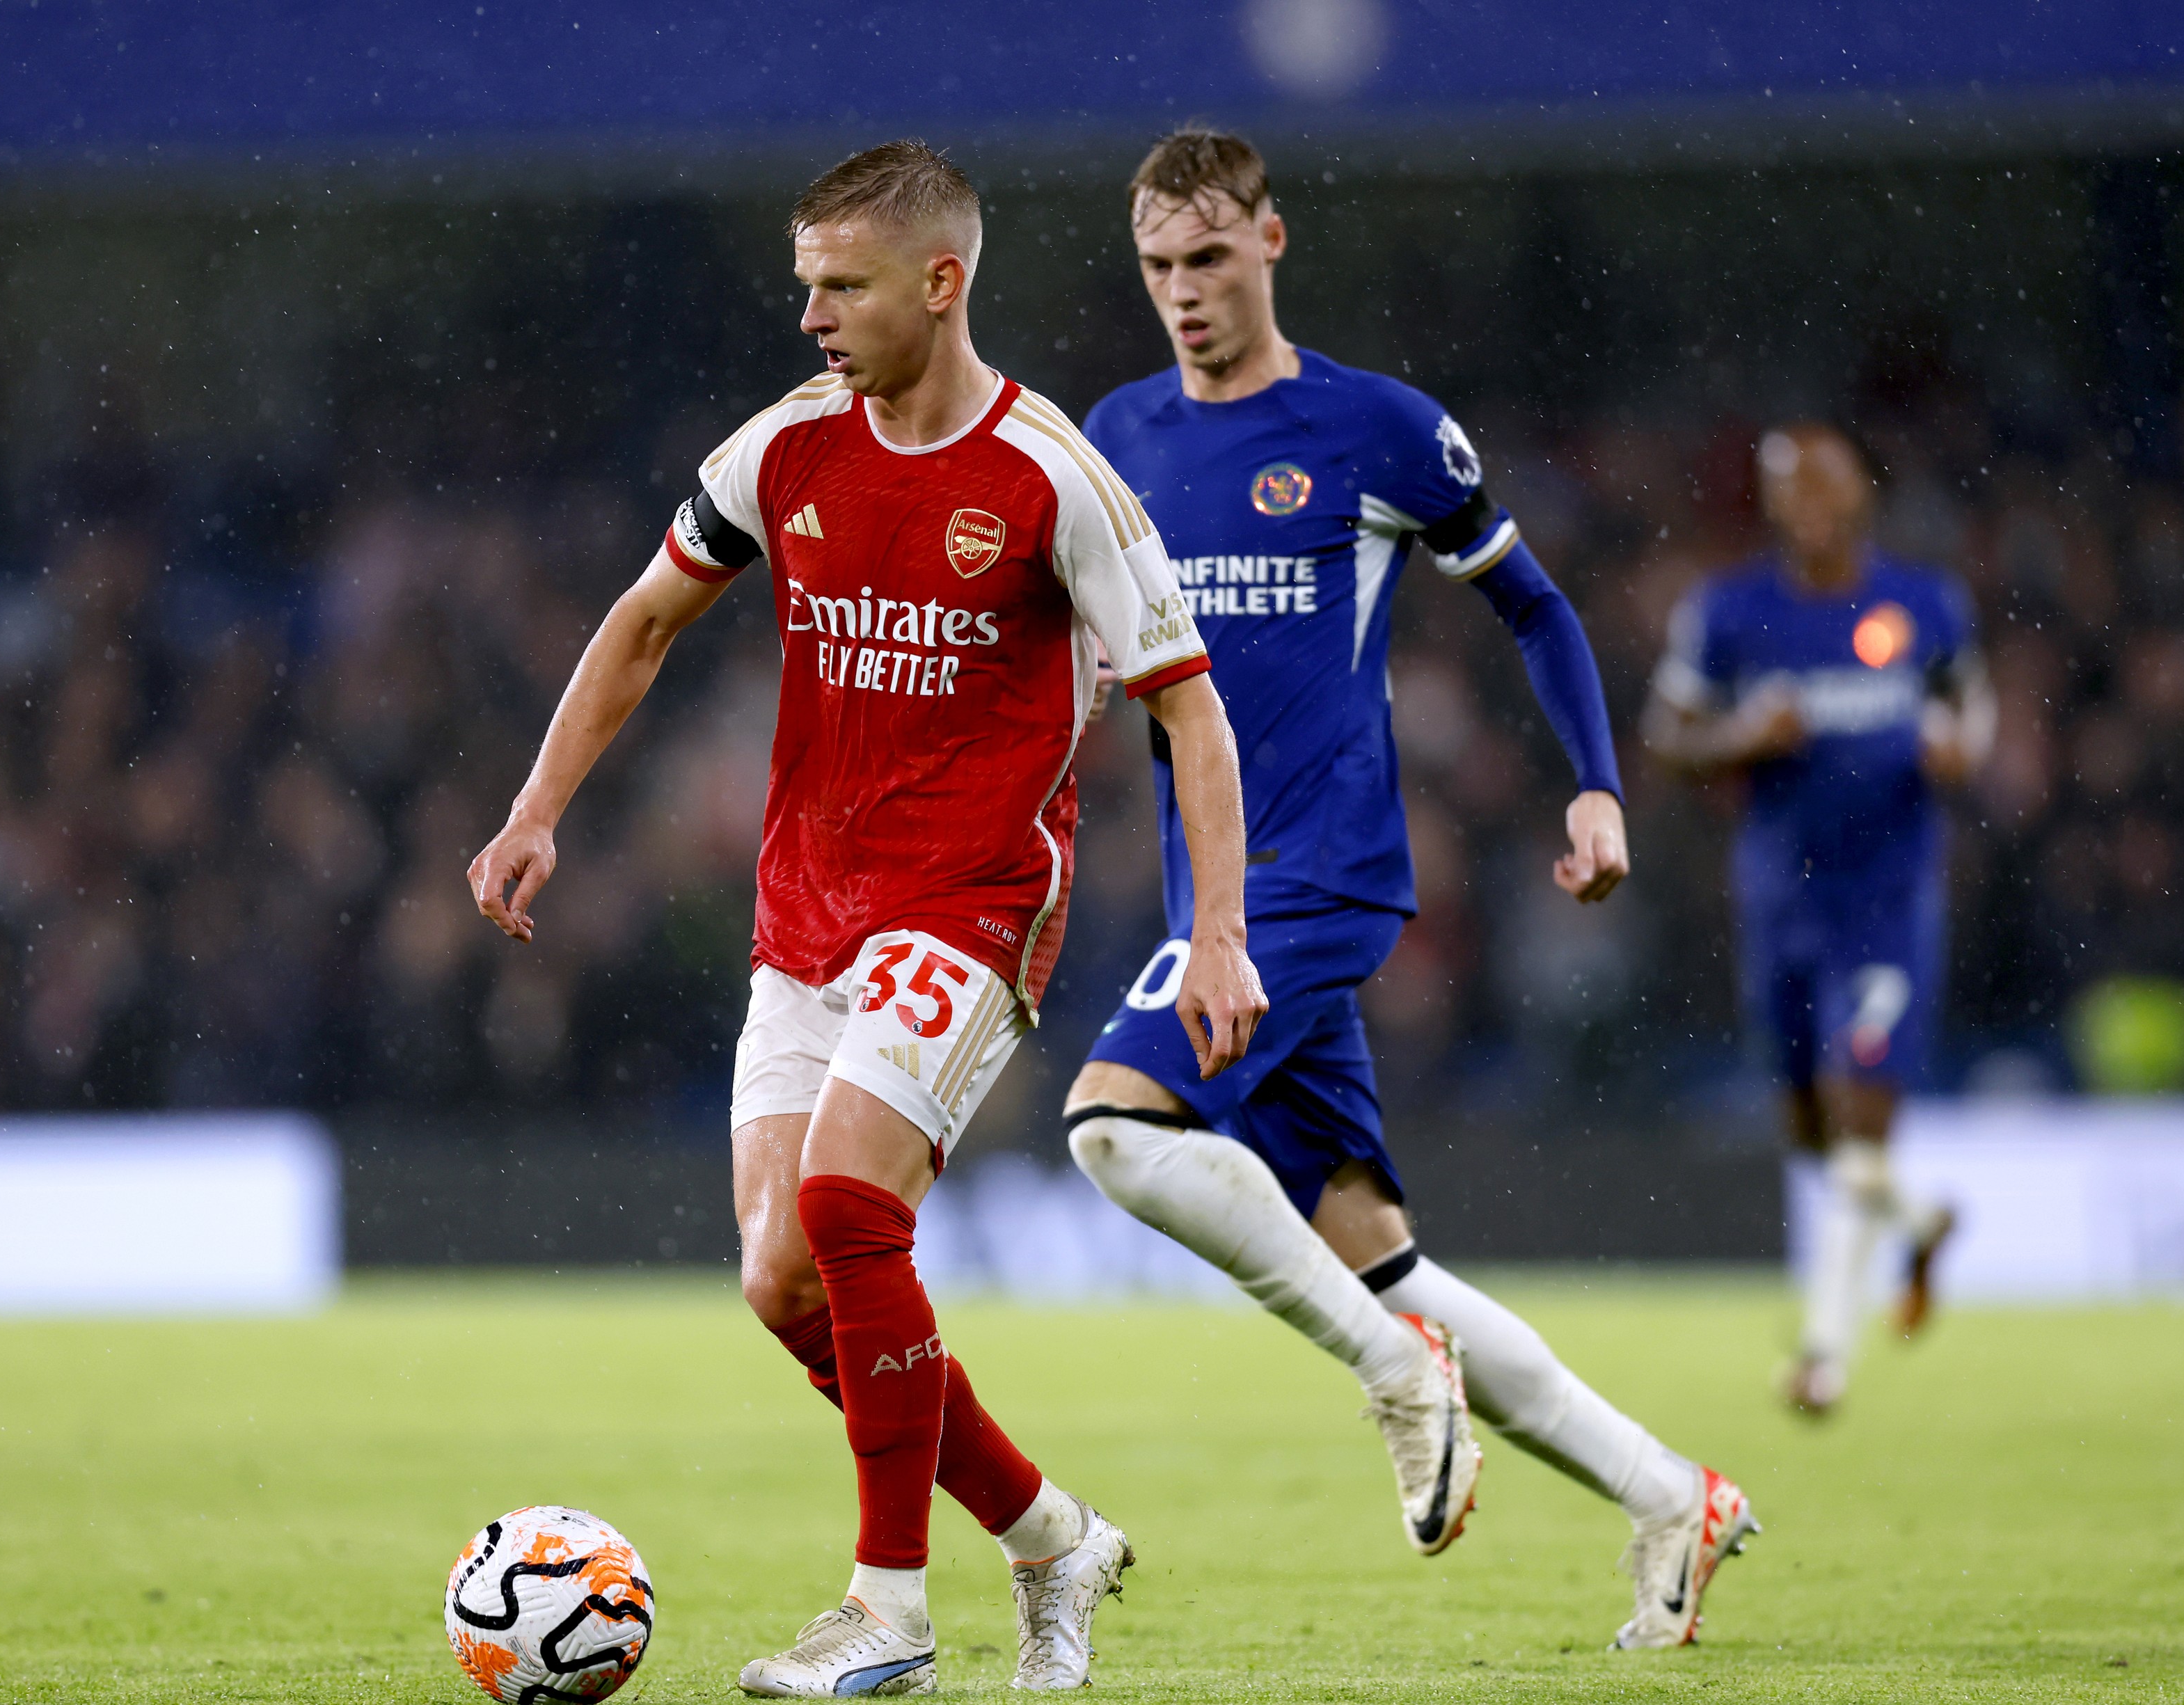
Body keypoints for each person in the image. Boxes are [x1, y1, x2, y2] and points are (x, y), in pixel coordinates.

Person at [468, 141, 1469, 1698]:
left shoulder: (1053, 477)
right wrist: (536, 808)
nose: (811, 317)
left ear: (941, 285)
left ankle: (888, 1608)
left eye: (842, 287)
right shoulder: (781, 449)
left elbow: (1191, 715)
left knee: (852, 1209)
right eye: (802, 286)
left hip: (973, 902)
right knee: (779, 1275)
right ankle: (1047, 1529)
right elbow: (645, 619)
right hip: (805, 903)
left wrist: (1218, 934)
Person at [1059, 127, 1757, 1651]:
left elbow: (1534, 602)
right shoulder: (1120, 434)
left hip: (1323, 876)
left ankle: (1390, 1372)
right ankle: (1666, 1496)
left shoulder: (1377, 431)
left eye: (1208, 257)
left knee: (1113, 1123)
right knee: (1381, 1248)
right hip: (1214, 898)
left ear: (1271, 242)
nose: (1181, 291)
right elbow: (1104, 660)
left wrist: (1591, 781)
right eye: (1157, 266)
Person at [1644, 422, 1993, 1417]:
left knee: (1859, 1116)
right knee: (1810, 1129)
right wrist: (1742, 734)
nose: (1810, 503)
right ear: (1771, 504)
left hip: (1888, 902)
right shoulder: (1729, 611)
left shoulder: (1923, 602)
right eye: (1788, 488)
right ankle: (1920, 1223)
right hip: (1780, 900)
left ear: (1861, 491)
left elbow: (1972, 705)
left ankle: (1823, 1355)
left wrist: (1961, 748)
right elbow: (1668, 732)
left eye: (1825, 483)